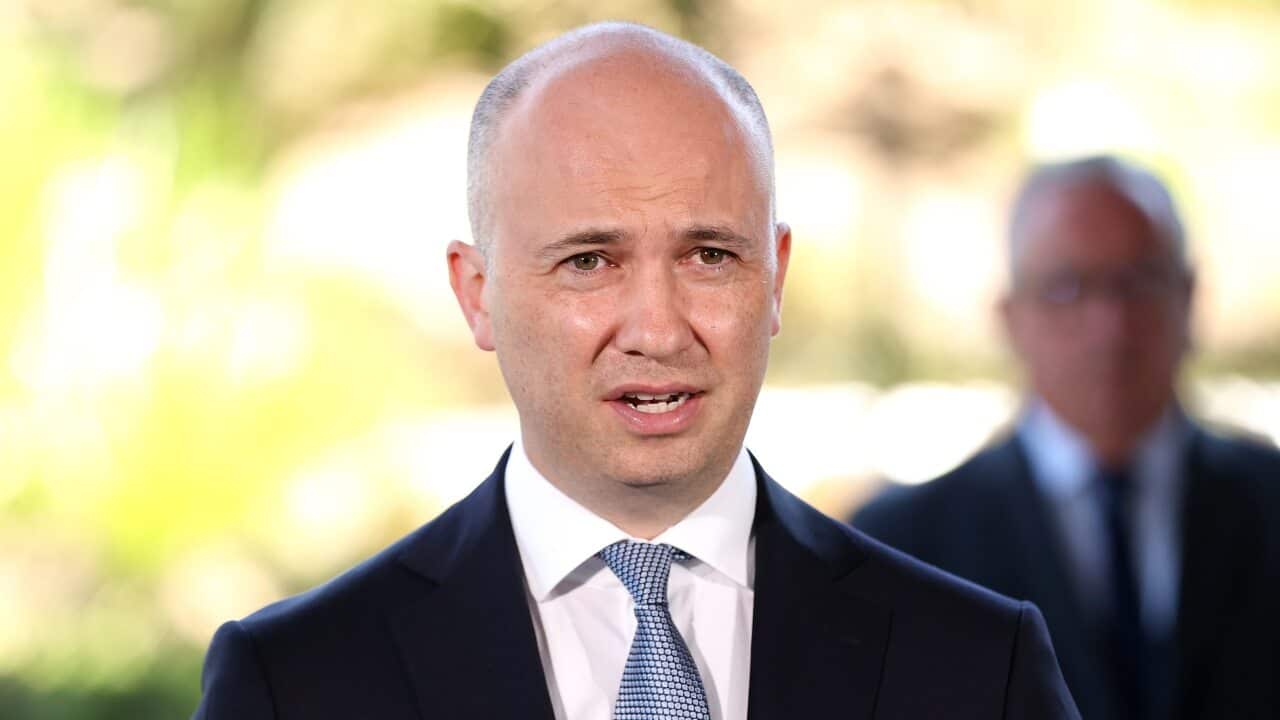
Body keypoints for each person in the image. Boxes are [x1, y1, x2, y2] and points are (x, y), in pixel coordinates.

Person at [193, 22, 1080, 719]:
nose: (658, 328)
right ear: (477, 295)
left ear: (775, 278)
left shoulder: (975, 667)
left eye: (708, 256)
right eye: (589, 261)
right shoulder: (298, 684)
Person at [853, 155, 1280, 720]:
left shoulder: (1270, 504)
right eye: (1068, 287)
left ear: (1190, 297)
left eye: (1139, 281)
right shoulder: (900, 549)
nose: (1111, 324)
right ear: (1010, 318)